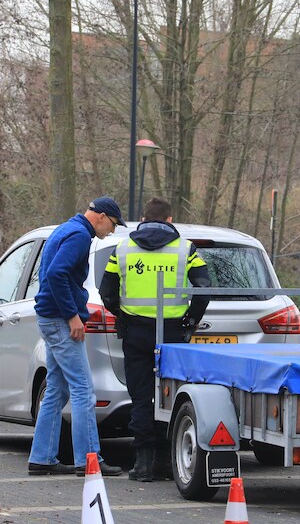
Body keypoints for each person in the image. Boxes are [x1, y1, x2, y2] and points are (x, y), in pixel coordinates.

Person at [99, 197, 211, 482]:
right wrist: (191, 319)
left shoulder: (122, 248)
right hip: (172, 334)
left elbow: (107, 292)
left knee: (140, 398)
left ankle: (143, 465)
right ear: (169, 220)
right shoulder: (185, 249)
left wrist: (122, 315)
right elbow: (203, 288)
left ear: (143, 219)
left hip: (136, 333)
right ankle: (167, 462)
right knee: (172, 397)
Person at [28, 197, 125, 477]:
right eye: (113, 225)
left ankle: (42, 457)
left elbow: (57, 275)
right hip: (60, 320)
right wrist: (72, 316)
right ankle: (89, 460)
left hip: (49, 318)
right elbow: (57, 275)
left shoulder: (66, 229)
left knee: (57, 390)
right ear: (101, 216)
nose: (112, 231)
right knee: (84, 390)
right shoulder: (80, 236)